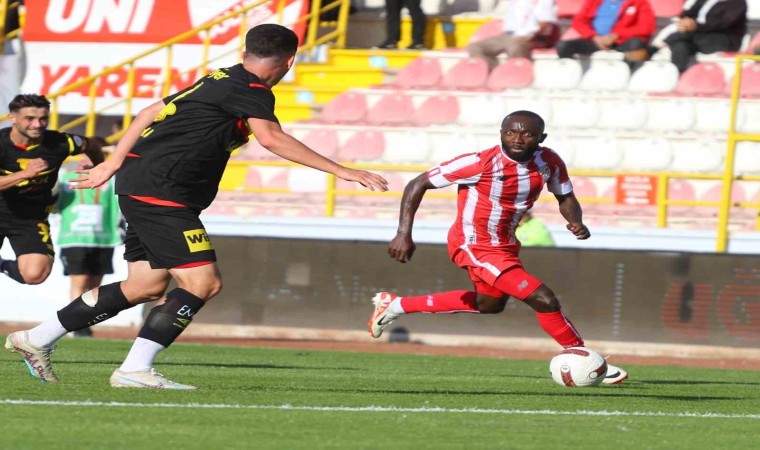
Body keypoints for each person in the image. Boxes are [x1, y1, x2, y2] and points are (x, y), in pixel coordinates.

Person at [5, 24, 388, 389]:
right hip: (162, 192)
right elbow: (271, 138)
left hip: (142, 186)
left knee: (144, 285)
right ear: (290, 61)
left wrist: (114, 162)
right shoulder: (251, 89)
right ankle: (136, 369)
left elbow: (147, 112)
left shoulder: (221, 77)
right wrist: (342, 170)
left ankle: (36, 338)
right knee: (203, 283)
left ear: (245, 53)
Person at [367, 110, 627, 385]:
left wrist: (575, 221)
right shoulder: (479, 163)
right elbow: (418, 183)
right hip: (473, 244)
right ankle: (584, 357)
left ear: (541, 138)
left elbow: (565, 196)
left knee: (489, 304)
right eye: (510, 132)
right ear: (501, 133)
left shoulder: (548, 161)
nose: (517, 139)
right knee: (543, 299)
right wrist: (403, 233)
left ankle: (395, 305)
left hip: (505, 245)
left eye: (528, 134)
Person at [0, 94, 105, 286]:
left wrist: (100, 169)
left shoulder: (61, 142)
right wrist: (24, 174)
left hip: (31, 217)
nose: (37, 124)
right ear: (12, 118)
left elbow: (92, 145)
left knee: (35, 274)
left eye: (43, 119)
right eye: (29, 118)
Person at [56, 154, 123, 338]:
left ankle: (85, 323)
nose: (85, 163)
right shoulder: (65, 178)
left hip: (104, 239)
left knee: (95, 288)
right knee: (80, 282)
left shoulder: (110, 179)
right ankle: (75, 325)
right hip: (74, 239)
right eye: (82, 158)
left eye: (90, 158)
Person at [555, 0, 655, 69]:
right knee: (563, 46)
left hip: (621, 42)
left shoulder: (639, 2)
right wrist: (594, 37)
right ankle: (569, 75)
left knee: (636, 45)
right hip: (595, 40)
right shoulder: (594, 2)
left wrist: (616, 35)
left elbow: (647, 27)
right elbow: (579, 21)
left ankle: (627, 74)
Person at [656, 0, 747, 74]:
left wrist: (696, 26)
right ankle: (676, 75)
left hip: (724, 39)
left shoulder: (738, 3)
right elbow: (688, 13)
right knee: (680, 45)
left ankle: (658, 46)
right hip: (698, 35)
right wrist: (685, 21)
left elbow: (721, 24)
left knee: (683, 36)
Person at [468, 0, 560, 70]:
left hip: (535, 37)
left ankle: (518, 74)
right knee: (476, 47)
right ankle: (495, 73)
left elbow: (545, 23)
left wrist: (530, 36)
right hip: (509, 34)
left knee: (516, 46)